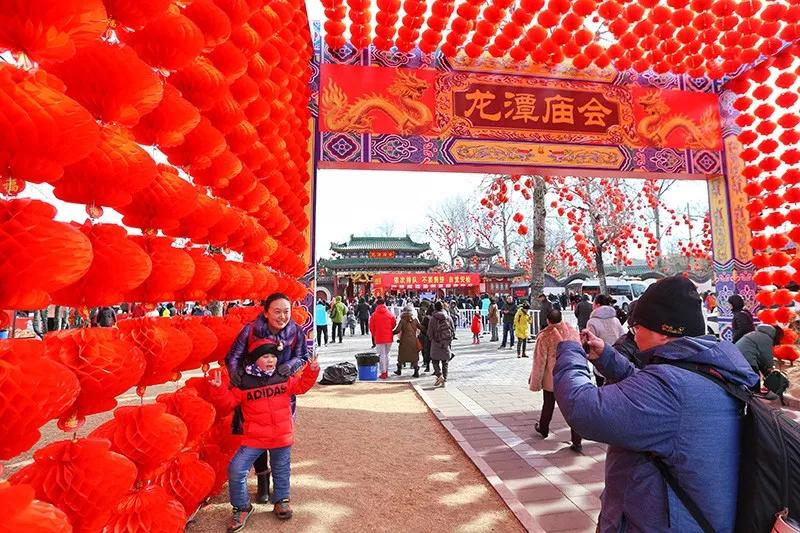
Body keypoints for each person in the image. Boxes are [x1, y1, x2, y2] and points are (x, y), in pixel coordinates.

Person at [553, 275, 758, 532]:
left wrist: (570, 351)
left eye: (637, 326)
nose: (633, 332)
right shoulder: (707, 369)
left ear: (664, 333)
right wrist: (607, 357)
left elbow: (583, 408)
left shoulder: (671, 387)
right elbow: (652, 398)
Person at [209, 346, 319, 531]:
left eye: (273, 357)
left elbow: (301, 386)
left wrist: (312, 370)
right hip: (254, 438)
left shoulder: (284, 378)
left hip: (280, 436)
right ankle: (242, 507)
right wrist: (219, 389)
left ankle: (281, 501)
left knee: (281, 470)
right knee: (236, 469)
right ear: (254, 360)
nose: (271, 360)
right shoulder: (244, 382)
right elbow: (227, 403)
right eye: (265, 356)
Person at [225, 293, 309, 507]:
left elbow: (303, 356)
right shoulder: (251, 329)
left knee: (278, 432)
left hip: (281, 388)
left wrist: (289, 367)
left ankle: (281, 494)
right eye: (277, 311)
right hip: (252, 388)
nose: (282, 316)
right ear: (266, 312)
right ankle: (263, 478)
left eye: (286, 311)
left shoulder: (296, 331)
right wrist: (237, 375)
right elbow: (233, 355)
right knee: (256, 432)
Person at [530, 309, 582, 452]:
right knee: (571, 407)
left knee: (548, 403)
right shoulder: (571, 331)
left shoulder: (545, 336)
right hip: (571, 375)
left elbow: (539, 361)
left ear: (548, 321)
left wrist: (535, 382)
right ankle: (577, 440)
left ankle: (544, 428)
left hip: (552, 377)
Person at [586, 294, 625, 387]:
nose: (592, 305)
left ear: (598, 305)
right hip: (617, 359)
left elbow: (589, 343)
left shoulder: (592, 322)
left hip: (601, 360)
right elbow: (623, 337)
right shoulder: (615, 320)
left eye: (593, 303)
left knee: (602, 390)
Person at [735, 324, 782, 391]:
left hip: (736, 355)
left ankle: (749, 392)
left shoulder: (756, 334)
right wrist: (771, 368)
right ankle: (754, 395)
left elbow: (760, 358)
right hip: (746, 358)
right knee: (754, 378)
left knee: (750, 376)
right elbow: (766, 358)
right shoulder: (766, 338)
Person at [369, 298, 396, 380]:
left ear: (376, 305)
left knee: (381, 355)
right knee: (387, 354)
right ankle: (386, 371)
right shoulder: (390, 314)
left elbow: (371, 327)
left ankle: (383, 372)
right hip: (389, 337)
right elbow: (394, 324)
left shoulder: (374, 315)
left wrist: (374, 335)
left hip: (379, 337)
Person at [428, 301, 454, 386]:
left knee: (435, 361)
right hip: (446, 342)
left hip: (436, 342)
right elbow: (453, 329)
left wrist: (431, 339)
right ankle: (444, 380)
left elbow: (430, 332)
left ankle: (439, 375)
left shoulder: (433, 319)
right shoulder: (448, 318)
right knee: (445, 362)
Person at [393, 304, 421, 377]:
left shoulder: (402, 320)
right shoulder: (415, 320)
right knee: (414, 356)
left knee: (401, 356)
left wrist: (390, 332)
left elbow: (397, 330)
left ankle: (399, 370)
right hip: (413, 341)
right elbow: (422, 328)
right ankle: (416, 371)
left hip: (404, 341)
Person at [419, 303, 433, 373]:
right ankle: (435, 368)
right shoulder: (437, 317)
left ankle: (427, 366)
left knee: (426, 351)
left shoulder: (426, 318)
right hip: (434, 337)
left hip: (426, 336)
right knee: (434, 352)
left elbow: (422, 326)